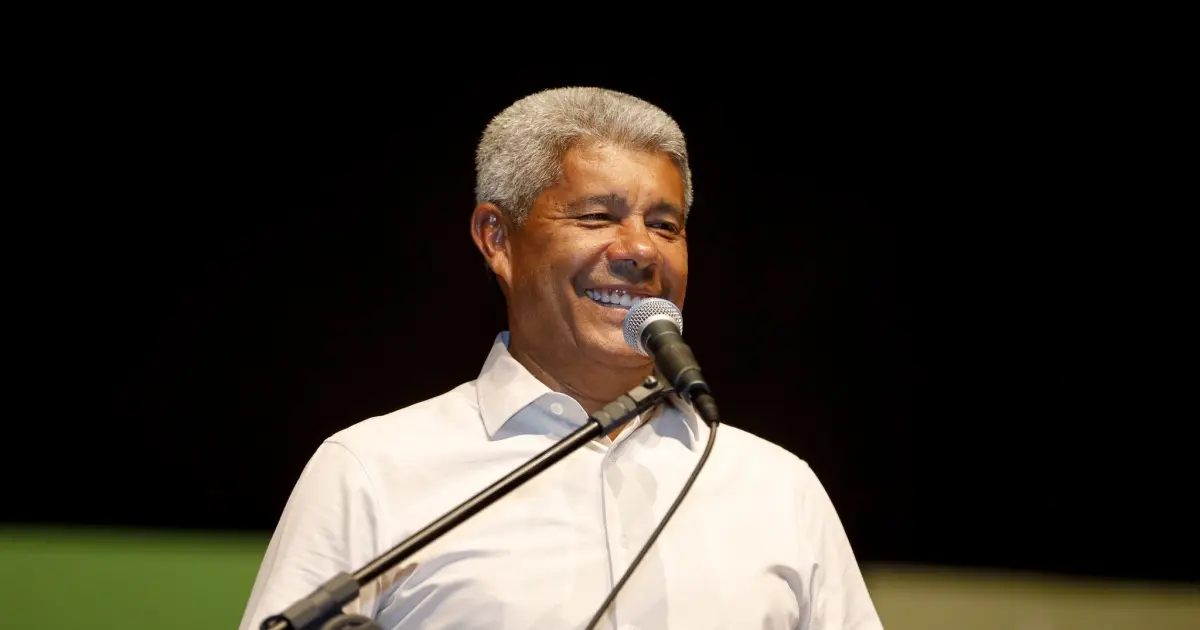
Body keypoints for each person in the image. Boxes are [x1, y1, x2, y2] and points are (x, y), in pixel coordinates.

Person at [239, 87, 884, 630]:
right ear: (497, 238)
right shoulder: (372, 471)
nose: (641, 250)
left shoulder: (778, 488)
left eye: (665, 225)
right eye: (598, 216)